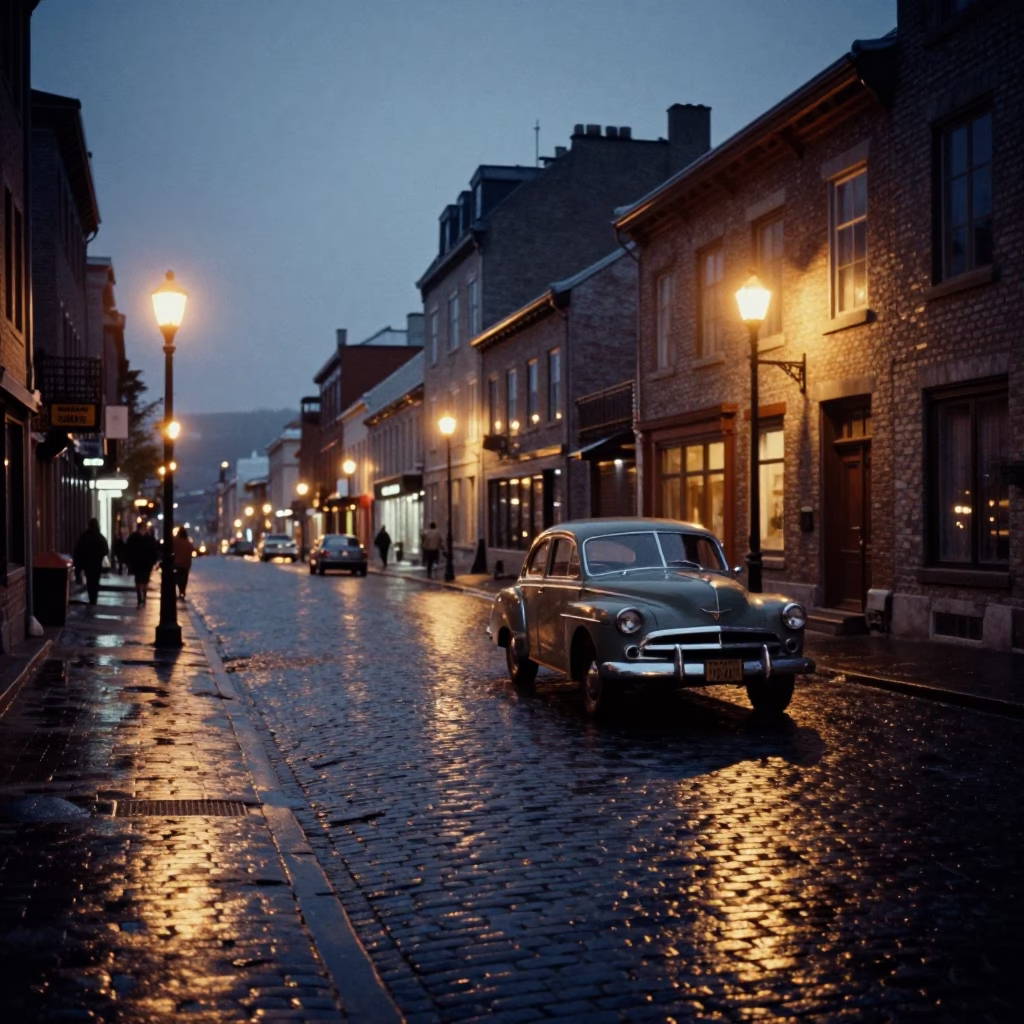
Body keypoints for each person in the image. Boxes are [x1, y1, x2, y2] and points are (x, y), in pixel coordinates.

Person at [73, 518, 110, 605]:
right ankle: (94, 598)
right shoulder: (100, 537)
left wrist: (78, 565)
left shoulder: (84, 537)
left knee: (89, 581)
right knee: (95, 581)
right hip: (97, 564)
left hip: (87, 563)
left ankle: (91, 597)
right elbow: (106, 550)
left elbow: (78, 551)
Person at [126, 519, 160, 607]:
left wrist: (129, 561)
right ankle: (143, 597)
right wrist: (154, 561)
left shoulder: (133, 537)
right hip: (146, 563)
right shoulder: (149, 538)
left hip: (137, 562)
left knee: (139, 581)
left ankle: (140, 598)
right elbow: (154, 551)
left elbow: (128, 550)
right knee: (144, 581)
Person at [173, 525, 195, 600]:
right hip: (186, 564)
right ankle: (182, 592)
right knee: (184, 579)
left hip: (177, 563)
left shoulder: (176, 540)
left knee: (176, 578)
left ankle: (178, 592)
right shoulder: (187, 542)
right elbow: (192, 550)